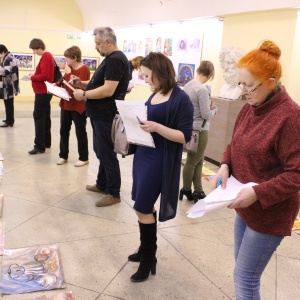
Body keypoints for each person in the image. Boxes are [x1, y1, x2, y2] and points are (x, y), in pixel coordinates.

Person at [212, 40, 300, 299]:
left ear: (271, 82)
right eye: (241, 84)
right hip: (245, 203)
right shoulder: (252, 106)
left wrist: (258, 193)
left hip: (269, 211)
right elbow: (234, 141)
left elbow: (296, 173)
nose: (243, 91)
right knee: (241, 267)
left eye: (249, 85)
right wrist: (226, 164)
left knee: (245, 277)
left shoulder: (290, 117)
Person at [128, 52, 193, 282]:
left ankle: (148, 260)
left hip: (160, 159)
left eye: (147, 75)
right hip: (144, 154)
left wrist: (156, 126)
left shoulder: (180, 99)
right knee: (143, 205)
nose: (145, 80)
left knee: (142, 207)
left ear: (159, 71)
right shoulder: (156, 93)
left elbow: (184, 136)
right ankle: (147, 251)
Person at [72, 26, 129, 207]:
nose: (96, 47)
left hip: (107, 115)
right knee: (100, 151)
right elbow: (100, 82)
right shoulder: (110, 59)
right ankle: (102, 183)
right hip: (100, 115)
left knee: (106, 153)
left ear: (108, 42)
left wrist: (85, 95)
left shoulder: (116, 60)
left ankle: (113, 192)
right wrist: (82, 83)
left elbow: (108, 89)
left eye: (98, 43)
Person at [180, 61, 217, 202]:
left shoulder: (188, 85)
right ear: (210, 75)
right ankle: (187, 189)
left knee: (199, 160)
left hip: (190, 127)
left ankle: (199, 190)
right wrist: (214, 108)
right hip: (200, 130)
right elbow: (206, 114)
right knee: (192, 161)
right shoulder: (202, 90)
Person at [55, 46, 90, 167]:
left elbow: (77, 88)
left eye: (67, 58)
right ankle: (63, 155)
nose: (66, 60)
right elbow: (63, 83)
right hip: (66, 104)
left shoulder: (84, 69)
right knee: (63, 131)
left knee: (80, 132)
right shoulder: (68, 69)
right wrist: (54, 85)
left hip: (78, 105)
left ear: (74, 58)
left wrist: (69, 74)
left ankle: (84, 157)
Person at [28, 38, 55, 154]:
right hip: (45, 92)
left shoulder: (45, 57)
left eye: (34, 50)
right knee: (45, 116)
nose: (34, 52)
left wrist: (32, 77)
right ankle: (46, 141)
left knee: (38, 117)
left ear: (39, 47)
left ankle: (39, 145)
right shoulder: (48, 56)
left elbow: (44, 75)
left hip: (42, 92)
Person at [0, 44, 19, 128]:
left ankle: (9, 121)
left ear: (2, 52)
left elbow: (6, 72)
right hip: (11, 84)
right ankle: (9, 119)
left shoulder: (7, 58)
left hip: (8, 85)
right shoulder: (10, 56)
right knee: (9, 103)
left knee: (8, 103)